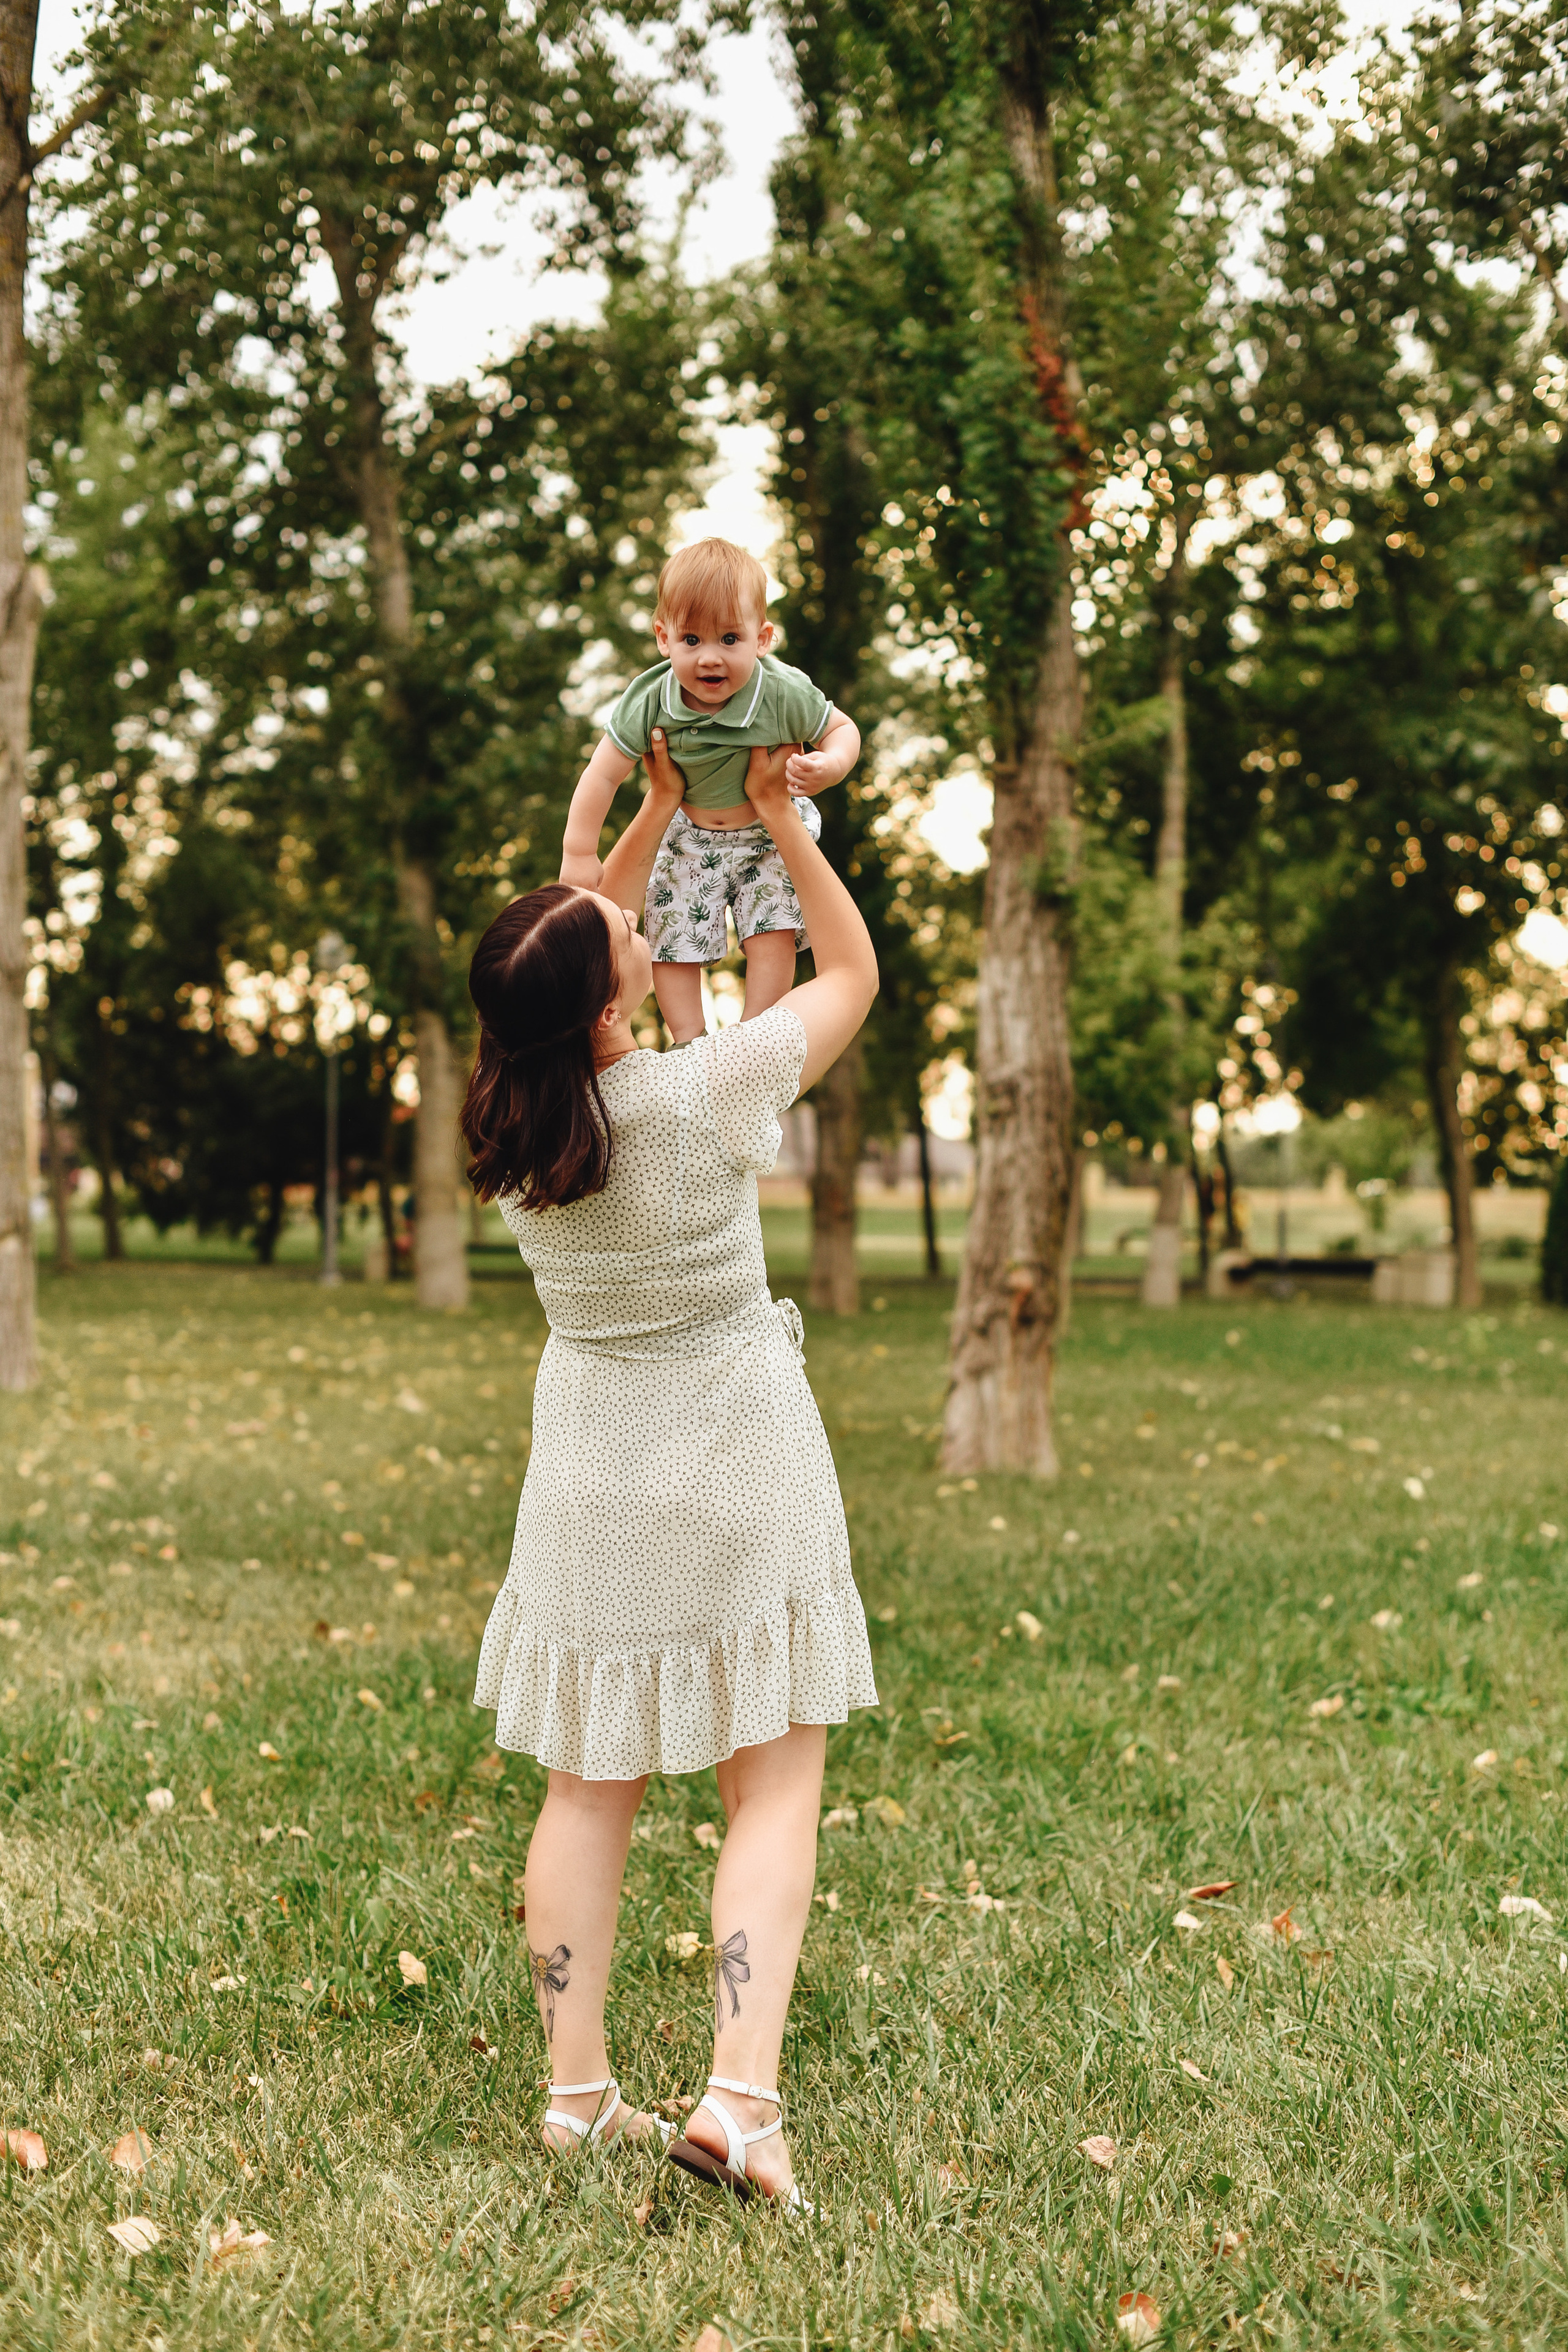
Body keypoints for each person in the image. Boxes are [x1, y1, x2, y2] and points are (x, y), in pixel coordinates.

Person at [462, 730, 880, 2209]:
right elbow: (848, 977)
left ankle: (577, 2095)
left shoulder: (519, 1131)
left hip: (588, 1472)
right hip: (730, 1448)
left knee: (588, 1792)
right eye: (629, 933)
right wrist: (784, 825)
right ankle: (738, 2101)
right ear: (611, 995)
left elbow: (580, 924)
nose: (636, 914)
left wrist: (642, 811)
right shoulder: (706, 1098)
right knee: (771, 1787)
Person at [558, 537, 861, 1046]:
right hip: (690, 835)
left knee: (772, 926)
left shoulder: (783, 692)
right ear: (663, 638)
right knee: (669, 927)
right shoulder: (650, 700)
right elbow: (602, 774)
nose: (709, 658)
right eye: (692, 640)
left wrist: (830, 765)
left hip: (767, 833)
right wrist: (579, 850)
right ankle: (688, 1037)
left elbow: (842, 728)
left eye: (729, 639)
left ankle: (755, 1033)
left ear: (761, 639)